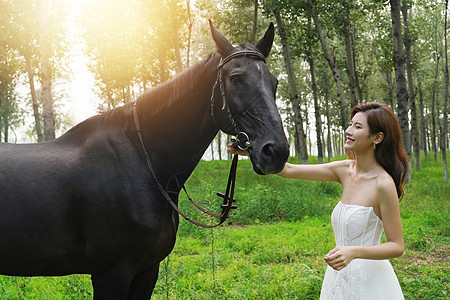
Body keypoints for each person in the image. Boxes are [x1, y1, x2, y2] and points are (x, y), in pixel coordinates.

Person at [228, 102, 408, 299]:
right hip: (338, 275)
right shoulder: (345, 170)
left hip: (370, 281)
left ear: (378, 137)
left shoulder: (383, 184)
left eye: (358, 127)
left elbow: (396, 245)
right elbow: (289, 170)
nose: (349, 131)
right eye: (350, 124)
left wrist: (353, 252)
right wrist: (252, 151)